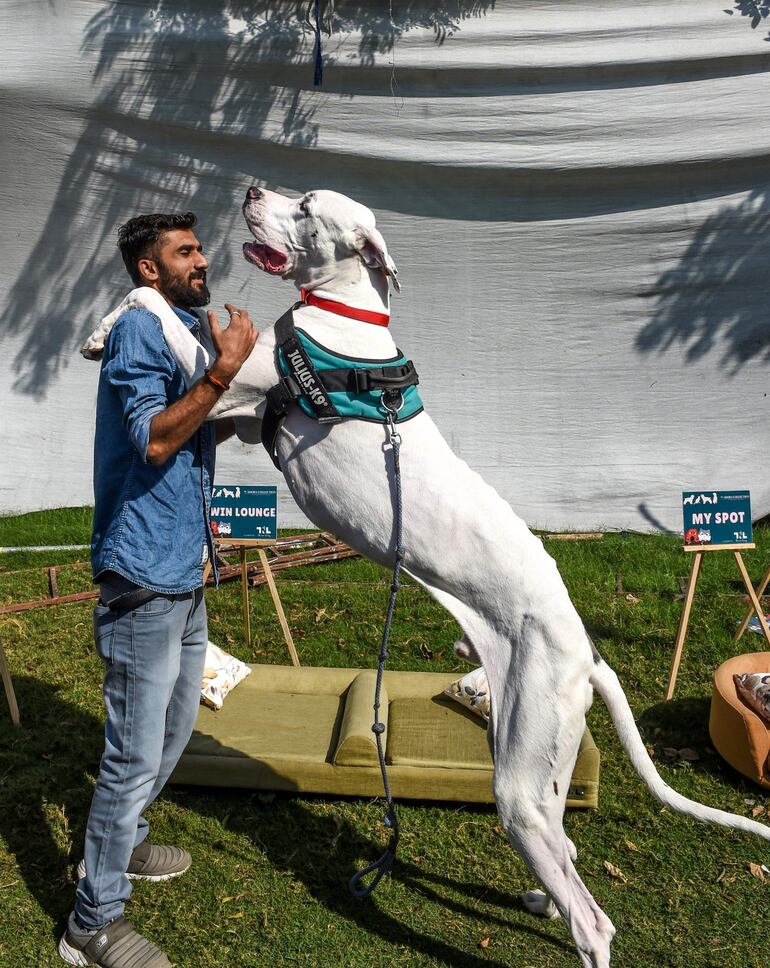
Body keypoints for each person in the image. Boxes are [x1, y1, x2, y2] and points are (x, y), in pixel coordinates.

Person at [59, 212, 257, 967]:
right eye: (185, 251)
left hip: (184, 569)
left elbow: (193, 429)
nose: (202, 260)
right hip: (142, 573)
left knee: (176, 728)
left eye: (199, 248)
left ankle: (125, 842)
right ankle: (91, 922)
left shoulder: (183, 331)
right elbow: (152, 438)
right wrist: (222, 373)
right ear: (149, 269)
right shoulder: (143, 331)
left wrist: (242, 400)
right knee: (133, 755)